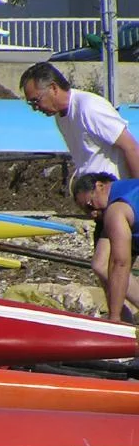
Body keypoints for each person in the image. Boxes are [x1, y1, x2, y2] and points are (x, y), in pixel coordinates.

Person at [20, 61, 139, 321]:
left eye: (36, 100)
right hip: (101, 204)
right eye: (31, 103)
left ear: (53, 88)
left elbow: (130, 146)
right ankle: (122, 322)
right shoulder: (63, 117)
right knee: (104, 267)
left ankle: (119, 323)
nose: (36, 107)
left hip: (119, 200)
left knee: (110, 265)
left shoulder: (89, 108)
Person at [72, 173, 139, 323]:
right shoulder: (119, 193)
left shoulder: (116, 210)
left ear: (99, 186)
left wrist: (113, 320)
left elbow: (120, 263)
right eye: (86, 212)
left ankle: (118, 317)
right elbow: (103, 265)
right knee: (101, 264)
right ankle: (123, 315)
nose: (93, 213)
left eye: (90, 205)